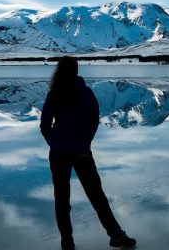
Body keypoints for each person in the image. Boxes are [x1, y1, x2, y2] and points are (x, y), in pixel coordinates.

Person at [40, 56, 137, 250]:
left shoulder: (55, 93)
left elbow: (44, 125)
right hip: (81, 152)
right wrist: (83, 143)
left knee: (62, 198)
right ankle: (116, 235)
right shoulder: (86, 93)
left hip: (59, 153)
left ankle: (67, 242)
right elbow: (93, 122)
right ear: (76, 71)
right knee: (96, 195)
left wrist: (56, 142)